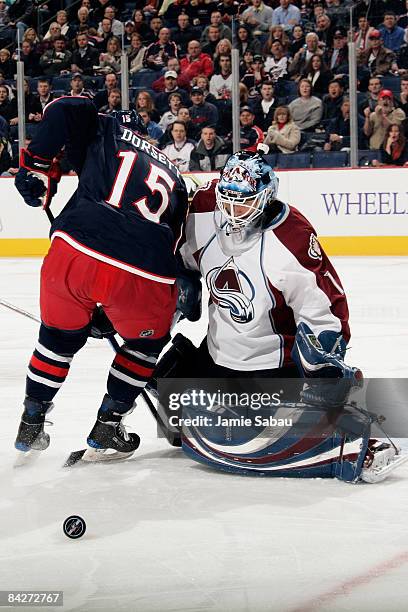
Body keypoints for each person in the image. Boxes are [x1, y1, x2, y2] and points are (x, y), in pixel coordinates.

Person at [153, 149, 398, 482]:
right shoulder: (206, 209)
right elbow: (175, 259)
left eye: (243, 200)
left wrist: (323, 362)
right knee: (165, 374)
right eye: (227, 197)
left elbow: (326, 310)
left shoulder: (291, 237)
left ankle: (345, 434)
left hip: (273, 368)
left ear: (265, 197)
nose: (231, 208)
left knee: (306, 417)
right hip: (219, 357)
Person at [14, 101, 189, 460]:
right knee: (145, 345)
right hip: (143, 268)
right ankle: (108, 424)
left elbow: (64, 108)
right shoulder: (176, 176)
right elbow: (178, 244)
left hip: (74, 250)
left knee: (57, 339)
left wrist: (36, 165)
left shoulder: (105, 129)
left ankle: (32, 420)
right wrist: (114, 310)